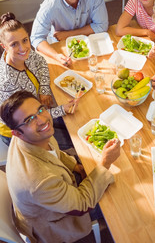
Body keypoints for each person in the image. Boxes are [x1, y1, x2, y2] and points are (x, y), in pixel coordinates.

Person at [0, 91, 120, 242]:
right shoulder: (38, 181)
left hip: (52, 192)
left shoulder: (31, 137)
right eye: (30, 119)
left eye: (40, 109)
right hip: (58, 220)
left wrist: (76, 166)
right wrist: (105, 163)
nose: (43, 120)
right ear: (17, 133)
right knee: (119, 200)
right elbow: (82, 204)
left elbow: (55, 152)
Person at [0, 12, 79, 150]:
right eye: (14, 44)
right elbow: (29, 119)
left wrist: (43, 89)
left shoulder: (24, 53)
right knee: (74, 140)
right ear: (4, 46)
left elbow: (41, 62)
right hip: (23, 128)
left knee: (76, 122)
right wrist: (61, 109)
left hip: (37, 108)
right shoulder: (8, 82)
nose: (23, 48)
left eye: (25, 40)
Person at [31, 0, 109, 66]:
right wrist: (56, 56)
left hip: (87, 42)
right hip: (60, 46)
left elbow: (101, 25)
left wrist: (68, 35)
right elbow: (36, 38)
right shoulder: (49, 6)